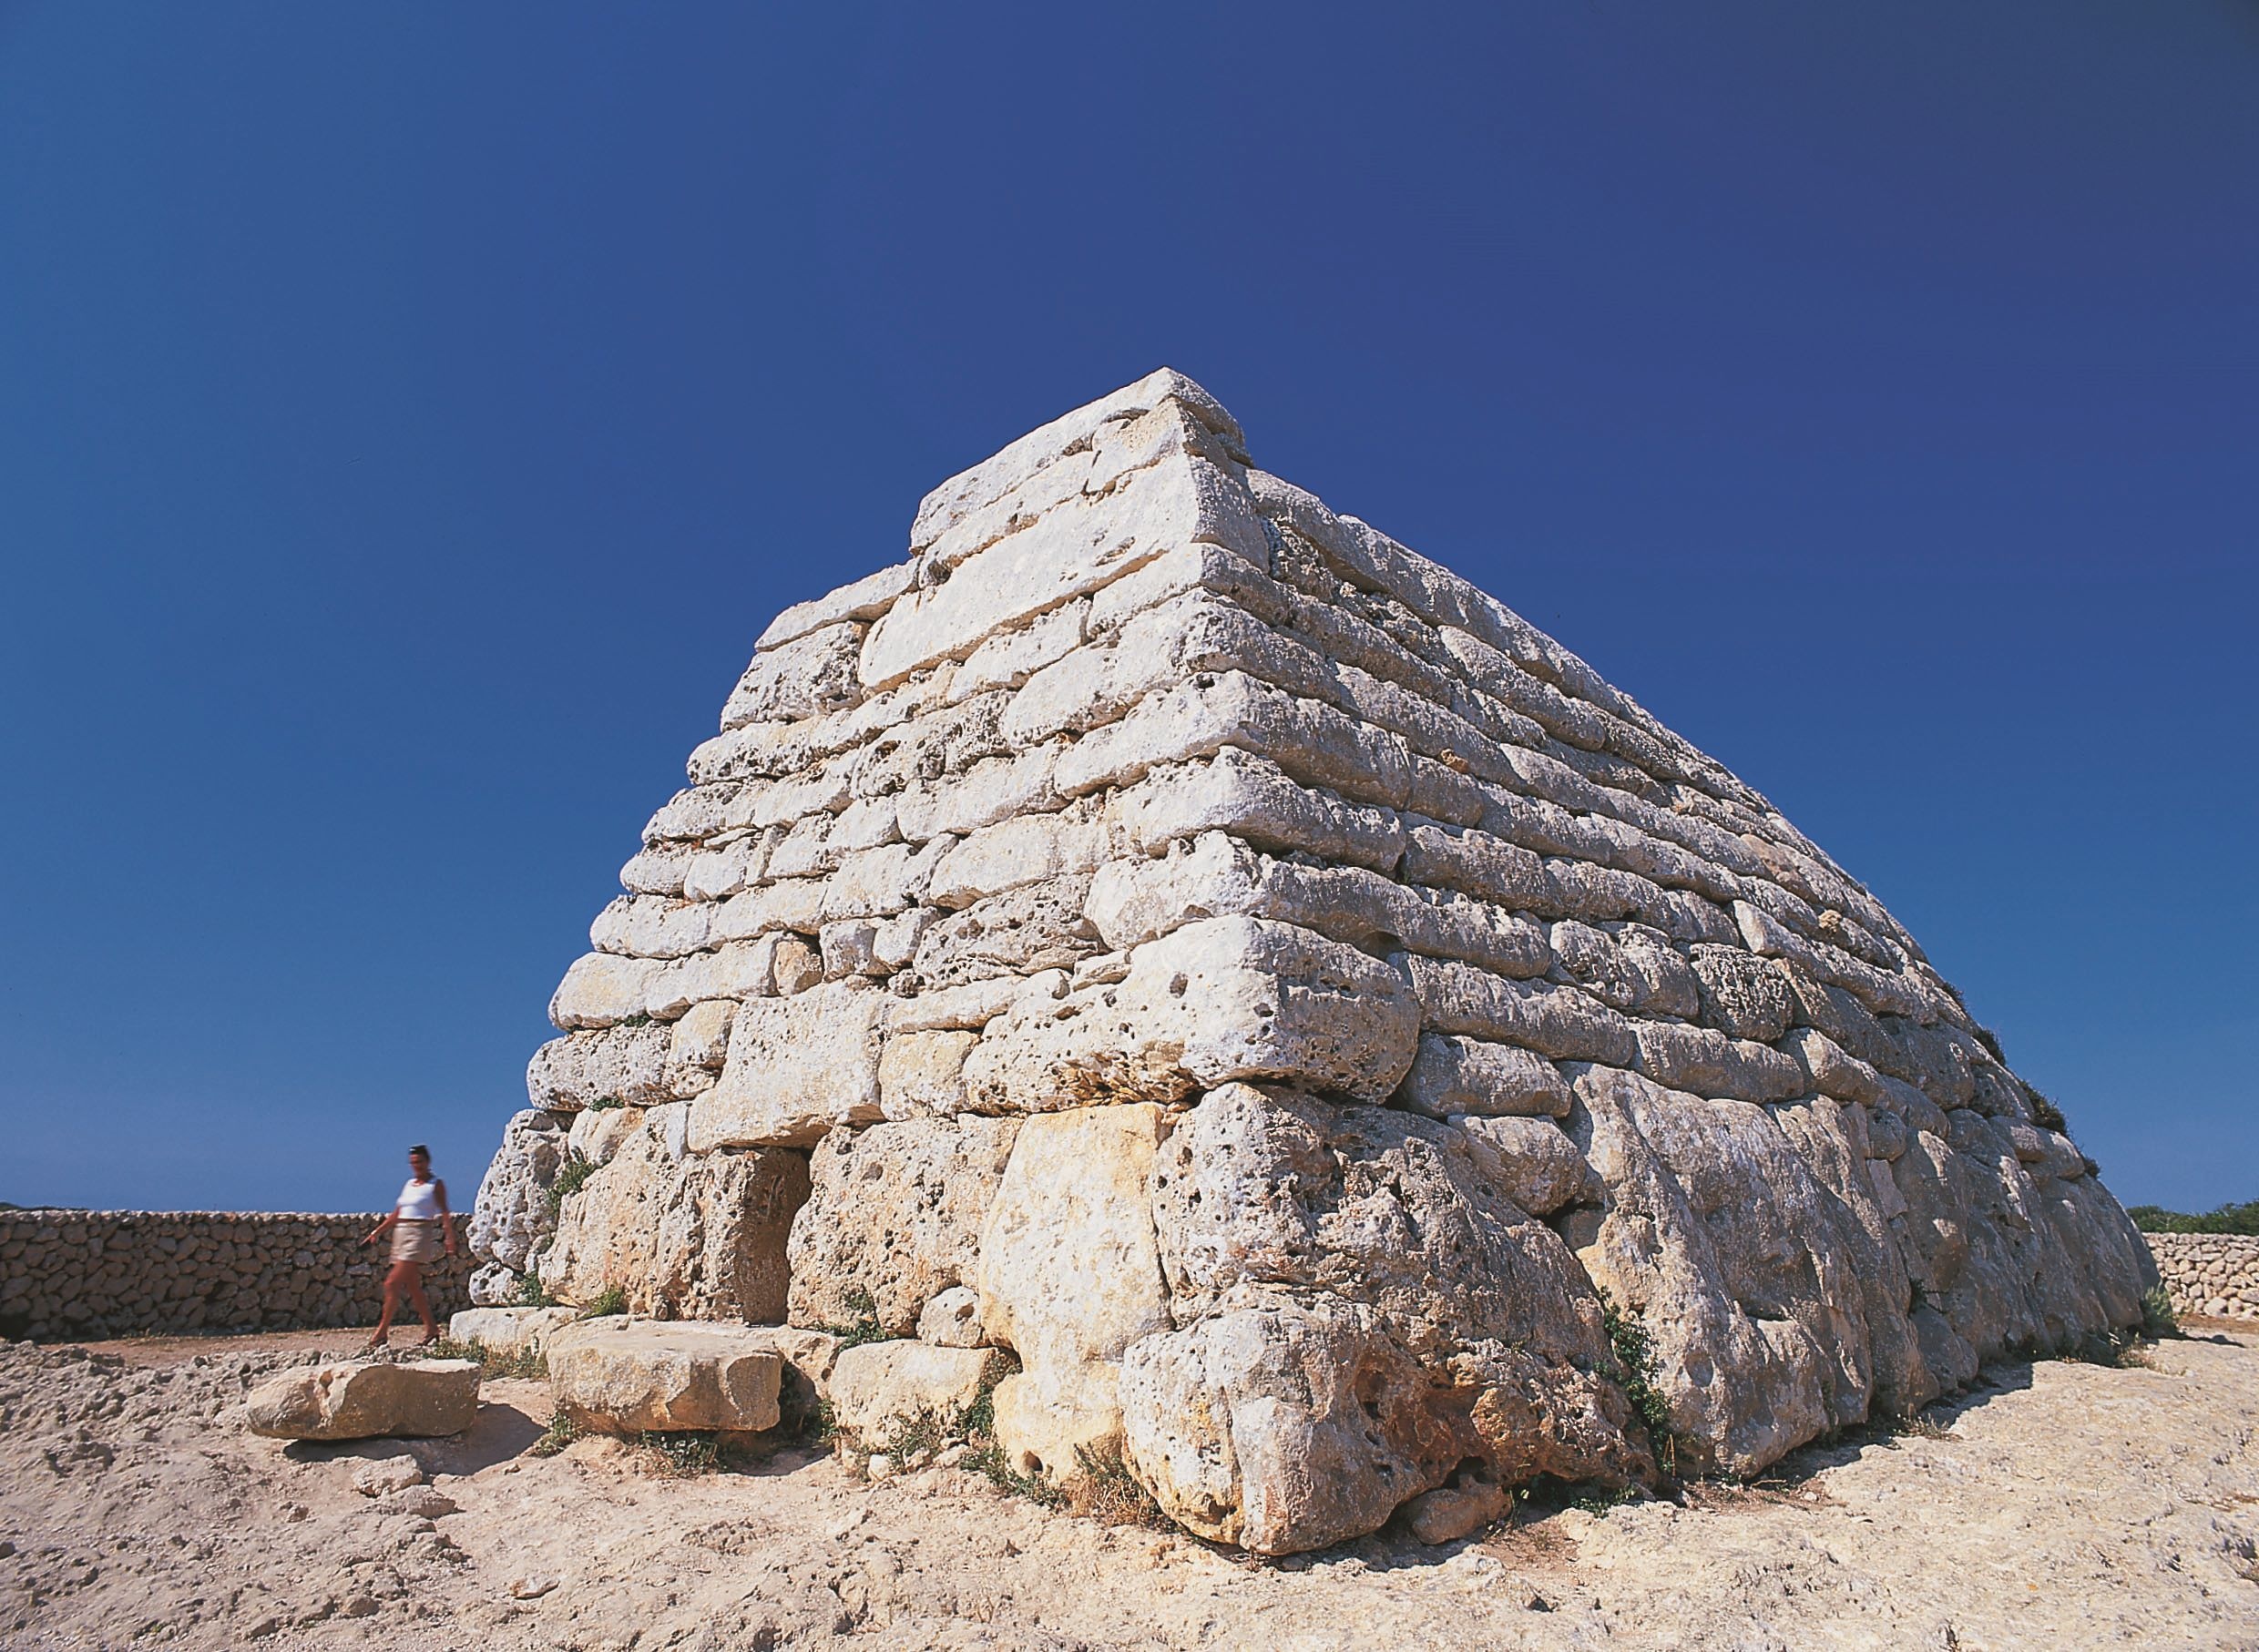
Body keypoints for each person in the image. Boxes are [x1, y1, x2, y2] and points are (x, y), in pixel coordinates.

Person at [361, 1144, 456, 1350]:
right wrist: (376, 1232)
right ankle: (432, 1329)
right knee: (413, 1287)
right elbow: (397, 1213)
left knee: (392, 1283)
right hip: (401, 1233)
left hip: (419, 1234)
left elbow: (445, 1211)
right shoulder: (409, 1184)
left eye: (420, 1162)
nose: (416, 1166)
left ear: (427, 1162)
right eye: (413, 1163)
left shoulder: (435, 1184)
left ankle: (381, 1333)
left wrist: (449, 1237)